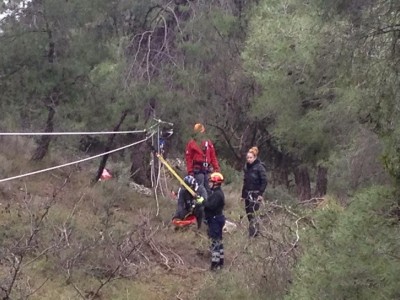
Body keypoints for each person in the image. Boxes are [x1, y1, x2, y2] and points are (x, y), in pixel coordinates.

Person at [197, 172, 225, 271]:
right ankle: (220, 262)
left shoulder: (217, 194)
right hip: (216, 219)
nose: (209, 183)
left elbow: (210, 206)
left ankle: (215, 265)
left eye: (211, 182)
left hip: (215, 220)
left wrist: (203, 201)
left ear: (216, 183)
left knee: (215, 242)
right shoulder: (216, 193)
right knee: (218, 241)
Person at [241, 146, 267, 237]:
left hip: (256, 193)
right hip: (248, 193)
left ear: (255, 157)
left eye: (251, 157)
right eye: (247, 158)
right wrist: (243, 195)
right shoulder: (246, 168)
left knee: (253, 213)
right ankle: (253, 232)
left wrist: (260, 193)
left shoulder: (260, 167)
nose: (249, 159)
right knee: (248, 213)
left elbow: (264, 181)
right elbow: (245, 181)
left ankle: (254, 234)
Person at [185, 123, 220, 191]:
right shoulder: (191, 144)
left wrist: (216, 169)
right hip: (198, 170)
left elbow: (213, 157)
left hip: (207, 170)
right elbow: (188, 158)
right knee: (200, 189)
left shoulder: (208, 143)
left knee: (209, 189)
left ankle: (208, 201)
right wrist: (190, 171)